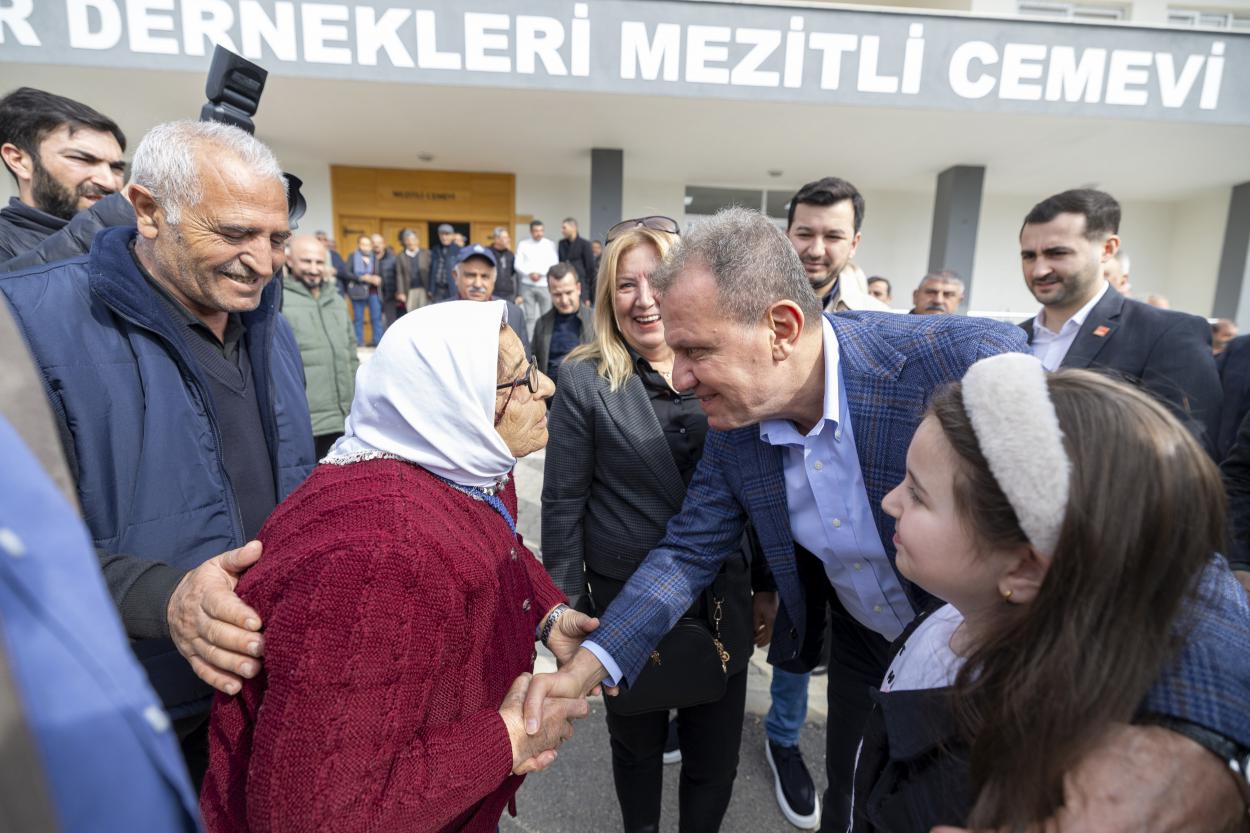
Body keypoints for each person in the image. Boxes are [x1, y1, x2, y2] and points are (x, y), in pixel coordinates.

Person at [522, 207, 1250, 833]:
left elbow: (1164, 546)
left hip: (1004, 657)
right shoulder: (737, 422)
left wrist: (1195, 748)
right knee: (858, 795)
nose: (677, 377)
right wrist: (587, 665)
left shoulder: (960, 361)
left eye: (696, 351)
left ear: (781, 327)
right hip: (866, 650)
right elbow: (686, 550)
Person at [0, 119, 316, 786]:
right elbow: (15, 553)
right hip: (130, 719)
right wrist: (163, 598)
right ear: (148, 211)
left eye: (277, 238)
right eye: (233, 234)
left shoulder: (269, 323)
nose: (262, 261)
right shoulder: (27, 326)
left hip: (269, 699)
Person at [200, 301, 596, 833]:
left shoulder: (448, 460)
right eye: (517, 381)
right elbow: (319, 815)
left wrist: (547, 614)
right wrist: (511, 737)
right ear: (451, 402)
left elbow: (497, 535)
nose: (545, 386)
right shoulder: (381, 559)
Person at [852, 354, 1250, 832]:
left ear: (1022, 568)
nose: (890, 501)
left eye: (918, 494)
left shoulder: (973, 784)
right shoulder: (968, 605)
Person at [542, 220, 759, 833]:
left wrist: (765, 583)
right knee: (636, 752)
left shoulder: (722, 368)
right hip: (625, 602)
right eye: (625, 285)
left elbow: (757, 491)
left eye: (657, 281)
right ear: (607, 298)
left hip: (722, 597)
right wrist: (565, 610)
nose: (644, 299)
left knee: (714, 760)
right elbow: (561, 502)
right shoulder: (586, 379)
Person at [1018, 188, 1221, 454]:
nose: (1039, 269)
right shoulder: (1008, 339)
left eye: (1057, 253)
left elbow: (1188, 453)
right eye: (1028, 256)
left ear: (1107, 249)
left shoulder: (1167, 333)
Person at [0, 86, 134, 272]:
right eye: (81, 159)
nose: (109, 182)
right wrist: (108, 219)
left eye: (116, 168)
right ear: (19, 161)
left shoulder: (138, 237)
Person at [281, 236, 358, 460]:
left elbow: (351, 351)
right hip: (309, 422)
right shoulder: (280, 302)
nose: (314, 269)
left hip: (344, 418)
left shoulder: (335, 299)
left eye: (319, 262)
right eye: (306, 262)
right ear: (289, 261)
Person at [786, 177, 889, 313]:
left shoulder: (878, 319)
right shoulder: (750, 306)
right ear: (786, 237)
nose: (816, 251)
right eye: (805, 234)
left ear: (853, 244)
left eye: (833, 237)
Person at [452, 243, 530, 354]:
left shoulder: (513, 314)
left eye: (485, 276)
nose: (478, 284)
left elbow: (524, 366)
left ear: (494, 279)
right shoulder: (438, 313)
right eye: (470, 275)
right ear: (456, 276)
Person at [533, 261, 594, 382]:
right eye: (557, 294)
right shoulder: (542, 324)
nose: (564, 300)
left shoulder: (597, 320)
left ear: (578, 288)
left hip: (586, 394)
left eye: (568, 292)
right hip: (551, 396)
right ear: (550, 292)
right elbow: (533, 363)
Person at [516, 219, 560, 338]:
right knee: (529, 317)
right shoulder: (523, 244)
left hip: (544, 285)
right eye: (536, 231)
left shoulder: (549, 244)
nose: (539, 233)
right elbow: (518, 264)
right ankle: (530, 345)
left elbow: (554, 263)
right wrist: (529, 273)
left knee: (546, 315)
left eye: (541, 230)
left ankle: (545, 342)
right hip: (527, 285)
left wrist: (540, 274)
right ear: (531, 231)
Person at [346, 234, 383, 346]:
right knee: (358, 318)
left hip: (373, 292)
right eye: (363, 244)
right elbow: (346, 273)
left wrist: (377, 278)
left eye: (368, 245)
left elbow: (380, 273)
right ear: (359, 245)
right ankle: (359, 343)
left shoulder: (375, 257)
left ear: (371, 246)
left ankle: (377, 342)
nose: (365, 247)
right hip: (358, 291)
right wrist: (362, 277)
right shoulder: (353, 256)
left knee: (376, 318)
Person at [559, 217, 597, 301]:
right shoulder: (561, 244)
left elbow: (590, 270)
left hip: (582, 287)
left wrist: (588, 295)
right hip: (565, 285)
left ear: (573, 228)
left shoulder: (585, 244)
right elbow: (560, 264)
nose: (562, 230)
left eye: (564, 228)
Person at [396, 228, 431, 311]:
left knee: (424, 312)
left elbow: (431, 271)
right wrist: (401, 292)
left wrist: (431, 289)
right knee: (411, 314)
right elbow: (399, 274)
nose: (411, 242)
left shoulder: (426, 253)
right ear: (405, 242)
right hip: (409, 290)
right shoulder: (401, 256)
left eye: (413, 239)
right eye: (408, 240)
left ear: (417, 241)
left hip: (424, 289)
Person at [371, 232, 400, 329]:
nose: (376, 245)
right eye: (374, 243)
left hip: (389, 294)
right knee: (375, 320)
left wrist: (398, 291)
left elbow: (398, 275)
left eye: (379, 242)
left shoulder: (392, 258)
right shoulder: (368, 258)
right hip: (373, 294)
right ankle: (376, 341)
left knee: (391, 321)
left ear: (383, 244)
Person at [428, 223, 461, 302]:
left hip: (452, 289)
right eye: (442, 234)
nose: (444, 237)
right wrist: (430, 289)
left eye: (447, 234)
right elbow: (431, 270)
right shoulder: (435, 249)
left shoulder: (458, 250)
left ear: (452, 236)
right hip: (437, 289)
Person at [491, 225, 518, 301]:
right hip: (492, 293)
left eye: (508, 237)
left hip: (509, 294)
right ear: (496, 239)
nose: (508, 240)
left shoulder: (510, 254)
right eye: (505, 237)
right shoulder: (488, 253)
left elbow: (514, 274)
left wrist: (518, 294)